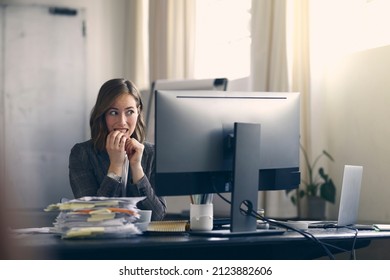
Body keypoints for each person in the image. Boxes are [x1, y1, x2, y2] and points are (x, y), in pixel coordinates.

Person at [69, 78, 166, 221]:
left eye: (129, 112)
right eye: (113, 113)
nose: (122, 122)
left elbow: (158, 216)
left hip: (144, 242)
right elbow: (93, 215)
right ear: (103, 115)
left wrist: (136, 168)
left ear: (138, 112)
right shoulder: (82, 154)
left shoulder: (151, 153)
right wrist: (115, 166)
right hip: (102, 241)